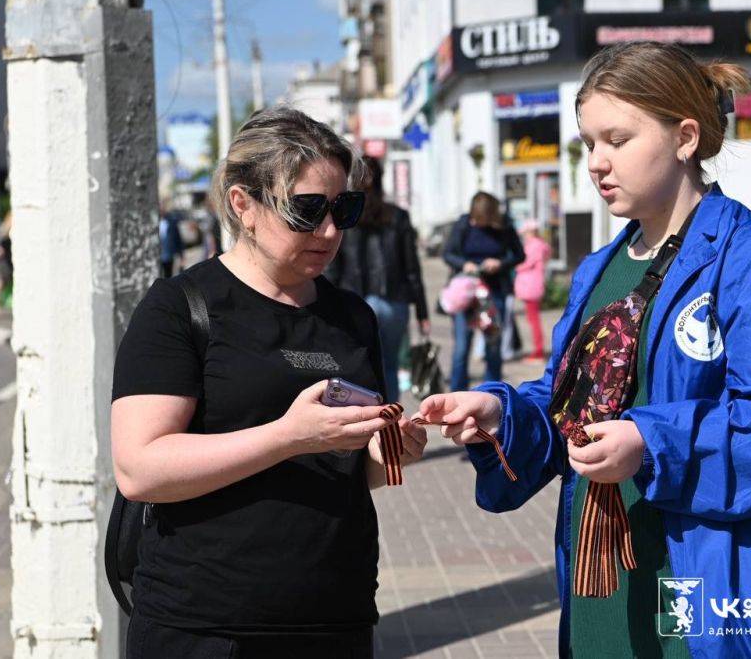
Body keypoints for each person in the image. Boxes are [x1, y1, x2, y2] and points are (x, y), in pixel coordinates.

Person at [417, 42, 751, 657]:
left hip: (717, 595)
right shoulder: (599, 271)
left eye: (618, 140)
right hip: (604, 597)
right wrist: (501, 417)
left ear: (686, 138)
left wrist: (649, 441)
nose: (597, 163)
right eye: (588, 143)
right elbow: (569, 410)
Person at [111, 107, 427, 659]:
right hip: (206, 625)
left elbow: (356, 472)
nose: (329, 231)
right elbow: (140, 469)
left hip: (335, 617)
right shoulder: (180, 308)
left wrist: (392, 449)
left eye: (343, 209)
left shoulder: (352, 316)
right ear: (243, 204)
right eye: (306, 211)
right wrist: (288, 435)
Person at [325, 155, 430, 402]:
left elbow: (334, 266)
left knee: (358, 367)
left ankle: (366, 425)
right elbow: (412, 269)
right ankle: (389, 426)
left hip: (354, 300)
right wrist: (422, 313)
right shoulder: (397, 216)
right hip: (393, 300)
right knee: (390, 366)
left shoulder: (346, 215)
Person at [442, 191, 524, 391]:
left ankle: (492, 392)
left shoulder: (504, 226)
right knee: (462, 347)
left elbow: (519, 255)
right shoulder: (463, 224)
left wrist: (500, 263)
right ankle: (457, 393)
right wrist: (465, 264)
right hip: (466, 292)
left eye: (481, 220)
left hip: (494, 292)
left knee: (493, 346)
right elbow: (447, 254)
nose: (477, 223)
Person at [514, 219, 552, 361]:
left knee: (533, 320)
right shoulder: (542, 245)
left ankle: (538, 352)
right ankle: (538, 350)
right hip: (533, 286)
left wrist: (514, 266)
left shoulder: (533, 246)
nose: (524, 236)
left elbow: (527, 263)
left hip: (530, 287)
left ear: (530, 232)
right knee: (533, 319)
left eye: (525, 233)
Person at [158, 204, 184, 278]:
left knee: (169, 275)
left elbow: (178, 238)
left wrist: (182, 255)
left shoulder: (171, 222)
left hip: (169, 255)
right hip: (159, 255)